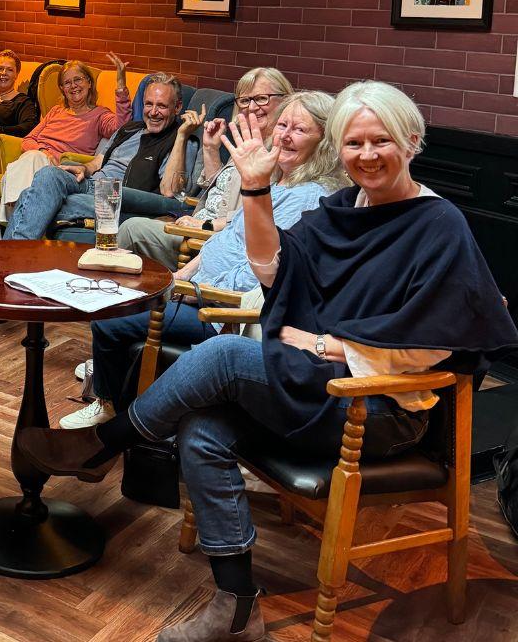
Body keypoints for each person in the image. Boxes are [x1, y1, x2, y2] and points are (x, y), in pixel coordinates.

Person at [18, 81, 518, 642]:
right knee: (202, 429)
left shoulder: (438, 223)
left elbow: (442, 340)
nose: (368, 155)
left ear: (413, 141)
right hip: (315, 391)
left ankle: (105, 444)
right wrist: (255, 189)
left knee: (230, 354)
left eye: (382, 141)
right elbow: (271, 270)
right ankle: (237, 608)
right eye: (355, 143)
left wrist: (333, 346)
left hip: (379, 411)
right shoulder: (341, 211)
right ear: (341, 149)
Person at [65, 89, 346, 429]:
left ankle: (112, 409)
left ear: (324, 141)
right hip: (196, 290)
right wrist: (178, 275)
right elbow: (226, 240)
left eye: (299, 130)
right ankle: (117, 388)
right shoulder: (274, 183)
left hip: (219, 311)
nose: (284, 135)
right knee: (120, 294)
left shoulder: (309, 196)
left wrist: (190, 289)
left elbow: (263, 272)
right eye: (282, 124)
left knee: (112, 317)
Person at [118, 67, 293, 270]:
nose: (252, 107)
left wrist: (206, 225)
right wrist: (211, 149)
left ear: (285, 100)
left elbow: (258, 213)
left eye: (261, 98)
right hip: (195, 224)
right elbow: (219, 190)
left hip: (211, 239)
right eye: (245, 100)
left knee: (131, 228)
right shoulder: (247, 142)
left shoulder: (280, 153)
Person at [3, 74, 198, 240]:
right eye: (149, 104)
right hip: (92, 185)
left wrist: (182, 135)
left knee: (38, 190)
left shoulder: (182, 142)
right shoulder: (129, 129)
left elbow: (170, 192)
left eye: (162, 106)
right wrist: (84, 168)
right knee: (43, 183)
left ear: (178, 107)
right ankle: (13, 255)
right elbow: (99, 161)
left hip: (121, 197)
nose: (153, 112)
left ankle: (12, 255)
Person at [0, 55, 132, 224]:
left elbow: (122, 128)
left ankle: (16, 220)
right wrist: (43, 152)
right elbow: (28, 140)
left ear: (89, 83)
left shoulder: (100, 115)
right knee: (30, 158)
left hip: (62, 169)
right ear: (62, 88)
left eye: (78, 80)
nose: (73, 86)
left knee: (24, 165)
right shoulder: (55, 111)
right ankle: (22, 220)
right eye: (67, 83)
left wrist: (121, 87)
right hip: (36, 160)